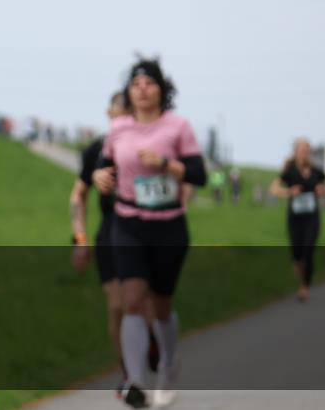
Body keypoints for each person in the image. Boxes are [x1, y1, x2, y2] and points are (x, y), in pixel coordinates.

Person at [92, 58, 208, 408]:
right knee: (131, 300)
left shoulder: (178, 126)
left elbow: (198, 174)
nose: (142, 88)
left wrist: (166, 164)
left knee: (161, 307)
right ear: (129, 92)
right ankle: (137, 380)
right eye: (136, 83)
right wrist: (100, 177)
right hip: (128, 222)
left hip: (169, 225)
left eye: (150, 83)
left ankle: (169, 365)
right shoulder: (119, 129)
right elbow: (103, 164)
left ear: (162, 89)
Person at [70, 92, 159, 394]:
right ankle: (129, 377)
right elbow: (77, 197)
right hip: (111, 232)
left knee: (143, 303)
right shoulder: (96, 150)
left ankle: (152, 342)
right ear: (108, 114)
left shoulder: (148, 146)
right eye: (117, 115)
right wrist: (80, 241)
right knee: (117, 307)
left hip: (145, 229)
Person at [270, 139, 325, 302]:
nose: (304, 152)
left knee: (308, 250)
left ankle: (305, 287)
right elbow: (274, 189)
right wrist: (289, 192)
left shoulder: (316, 171)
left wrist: (321, 190)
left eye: (306, 149)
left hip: (312, 217)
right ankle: (301, 271)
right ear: (295, 151)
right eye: (301, 149)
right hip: (295, 218)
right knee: (297, 253)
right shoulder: (289, 170)